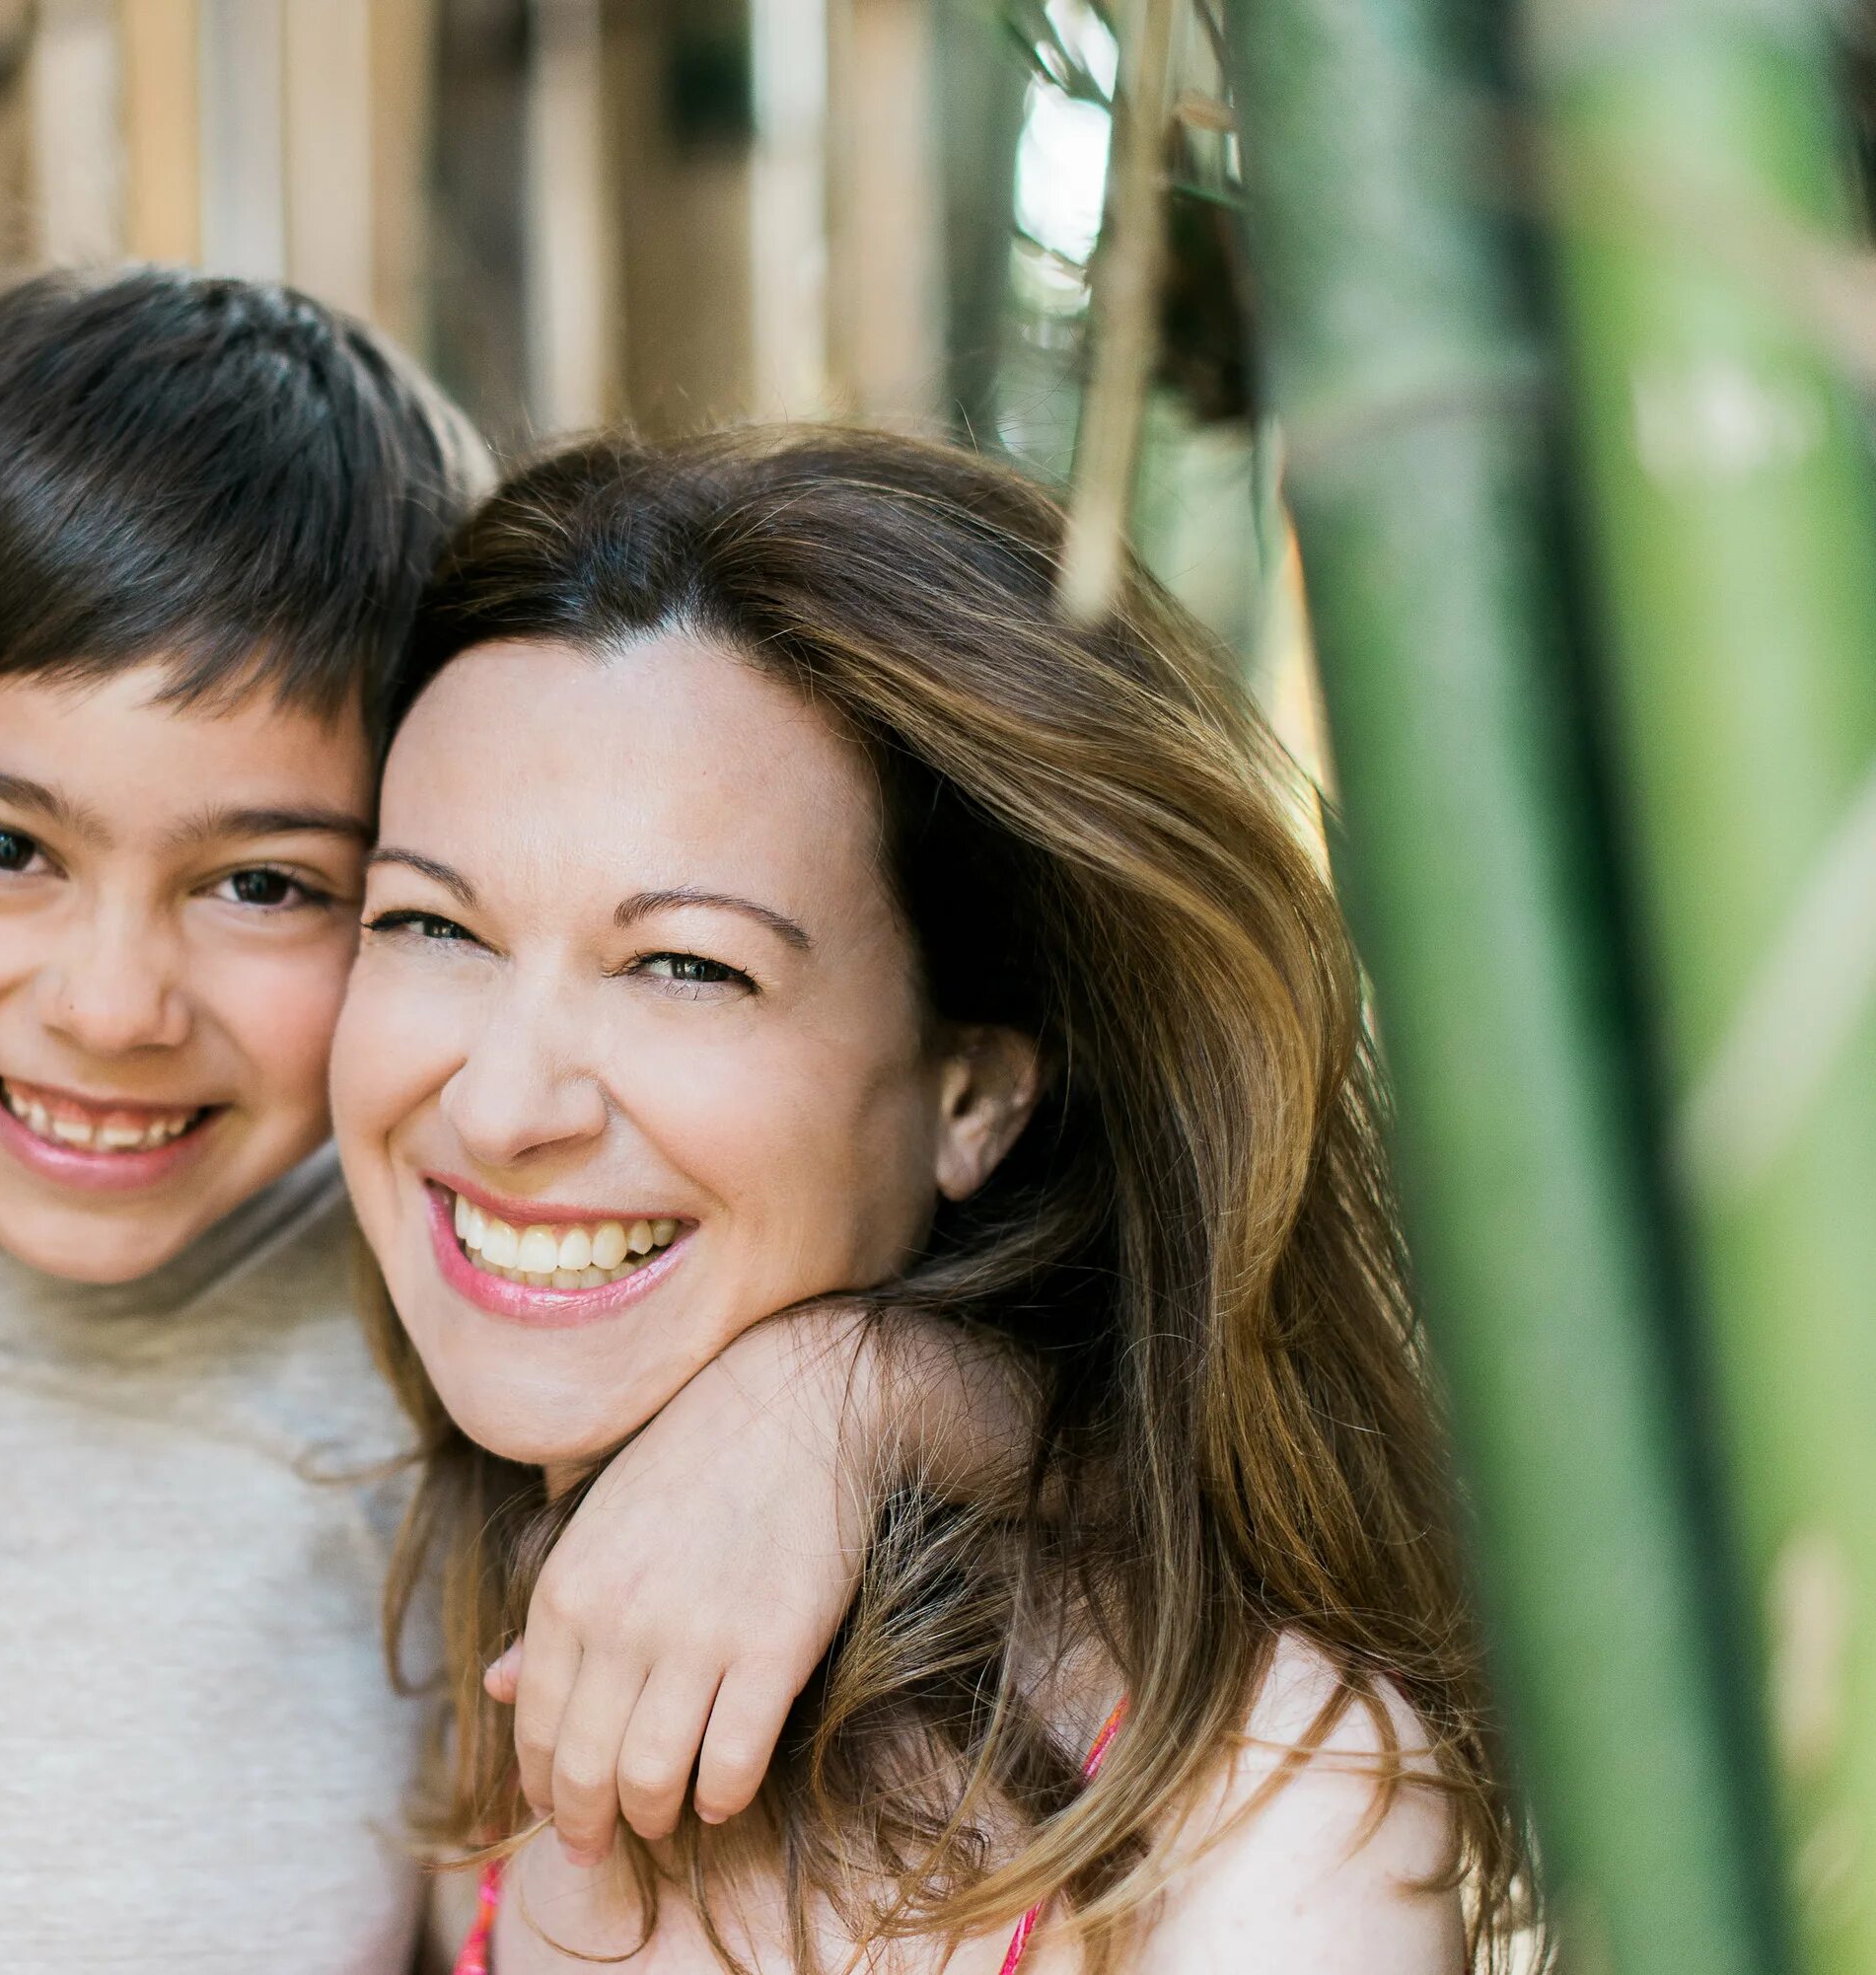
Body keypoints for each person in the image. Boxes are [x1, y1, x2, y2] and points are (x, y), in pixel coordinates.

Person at [0, 272, 1013, 1972]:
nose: (114, 1002)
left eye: (265, 882)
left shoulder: (466, 1319)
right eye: (1, 848)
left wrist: (845, 1407)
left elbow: (1097, 1431)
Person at [333, 429, 1537, 1972]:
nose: (501, 1107)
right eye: (432, 923)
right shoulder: (457, 1625)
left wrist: (850, 1395)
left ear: (971, 1095)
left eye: (687, 966)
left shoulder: (1267, 1788)